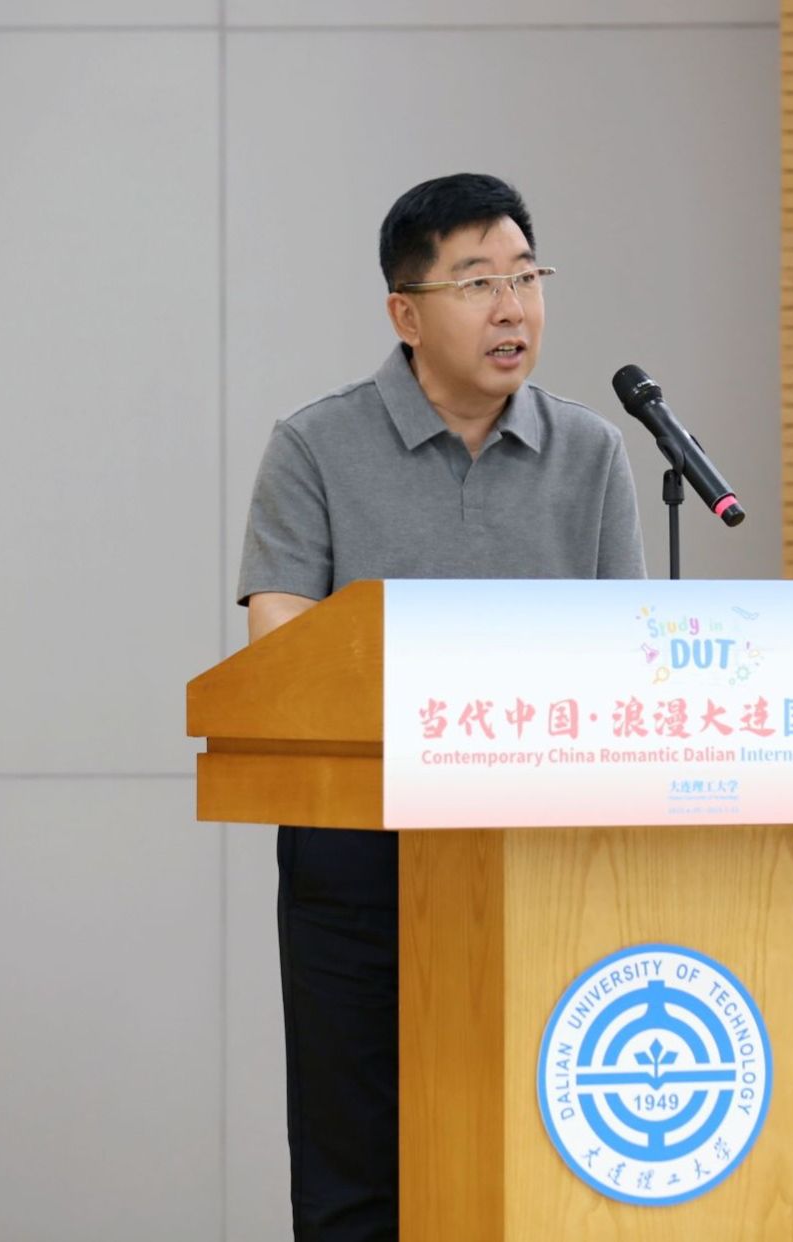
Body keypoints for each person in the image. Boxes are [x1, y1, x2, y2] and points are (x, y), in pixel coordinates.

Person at [236, 172, 646, 1241]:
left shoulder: (593, 453)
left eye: (527, 277)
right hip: (357, 863)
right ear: (405, 314)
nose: (513, 308)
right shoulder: (314, 447)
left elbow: (631, 667)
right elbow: (281, 663)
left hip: (542, 864)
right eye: (477, 283)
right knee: (356, 1182)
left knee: (538, 1170)